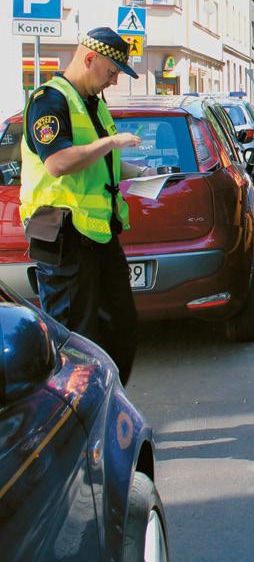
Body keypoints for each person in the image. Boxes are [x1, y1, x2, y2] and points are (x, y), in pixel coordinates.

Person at [20, 28, 152, 384]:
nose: (112, 82)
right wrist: (112, 141)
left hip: (98, 235)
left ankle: (109, 409)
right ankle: (78, 425)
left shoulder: (92, 101)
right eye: (111, 72)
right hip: (62, 238)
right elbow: (58, 162)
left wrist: (141, 173)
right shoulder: (49, 100)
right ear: (90, 58)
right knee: (76, 344)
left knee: (121, 328)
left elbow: (98, 161)